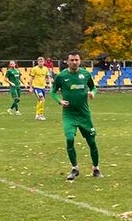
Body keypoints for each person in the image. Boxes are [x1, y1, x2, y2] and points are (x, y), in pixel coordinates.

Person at [52, 50, 101, 180]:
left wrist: (93, 93)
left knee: (92, 142)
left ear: (80, 61)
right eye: (72, 60)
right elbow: (53, 91)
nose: (74, 62)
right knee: (69, 139)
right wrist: (59, 101)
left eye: (76, 60)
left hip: (84, 115)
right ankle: (75, 168)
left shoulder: (85, 74)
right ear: (67, 62)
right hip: (69, 115)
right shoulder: (61, 76)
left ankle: (96, 168)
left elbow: (94, 87)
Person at [30, 57, 50, 121]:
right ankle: (38, 115)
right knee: (41, 99)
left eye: (42, 61)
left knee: (41, 101)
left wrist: (49, 83)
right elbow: (31, 78)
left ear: (44, 62)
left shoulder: (45, 69)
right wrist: (30, 87)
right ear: (37, 62)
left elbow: (48, 77)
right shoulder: (34, 69)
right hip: (36, 87)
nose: (41, 63)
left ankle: (40, 114)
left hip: (43, 87)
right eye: (40, 61)